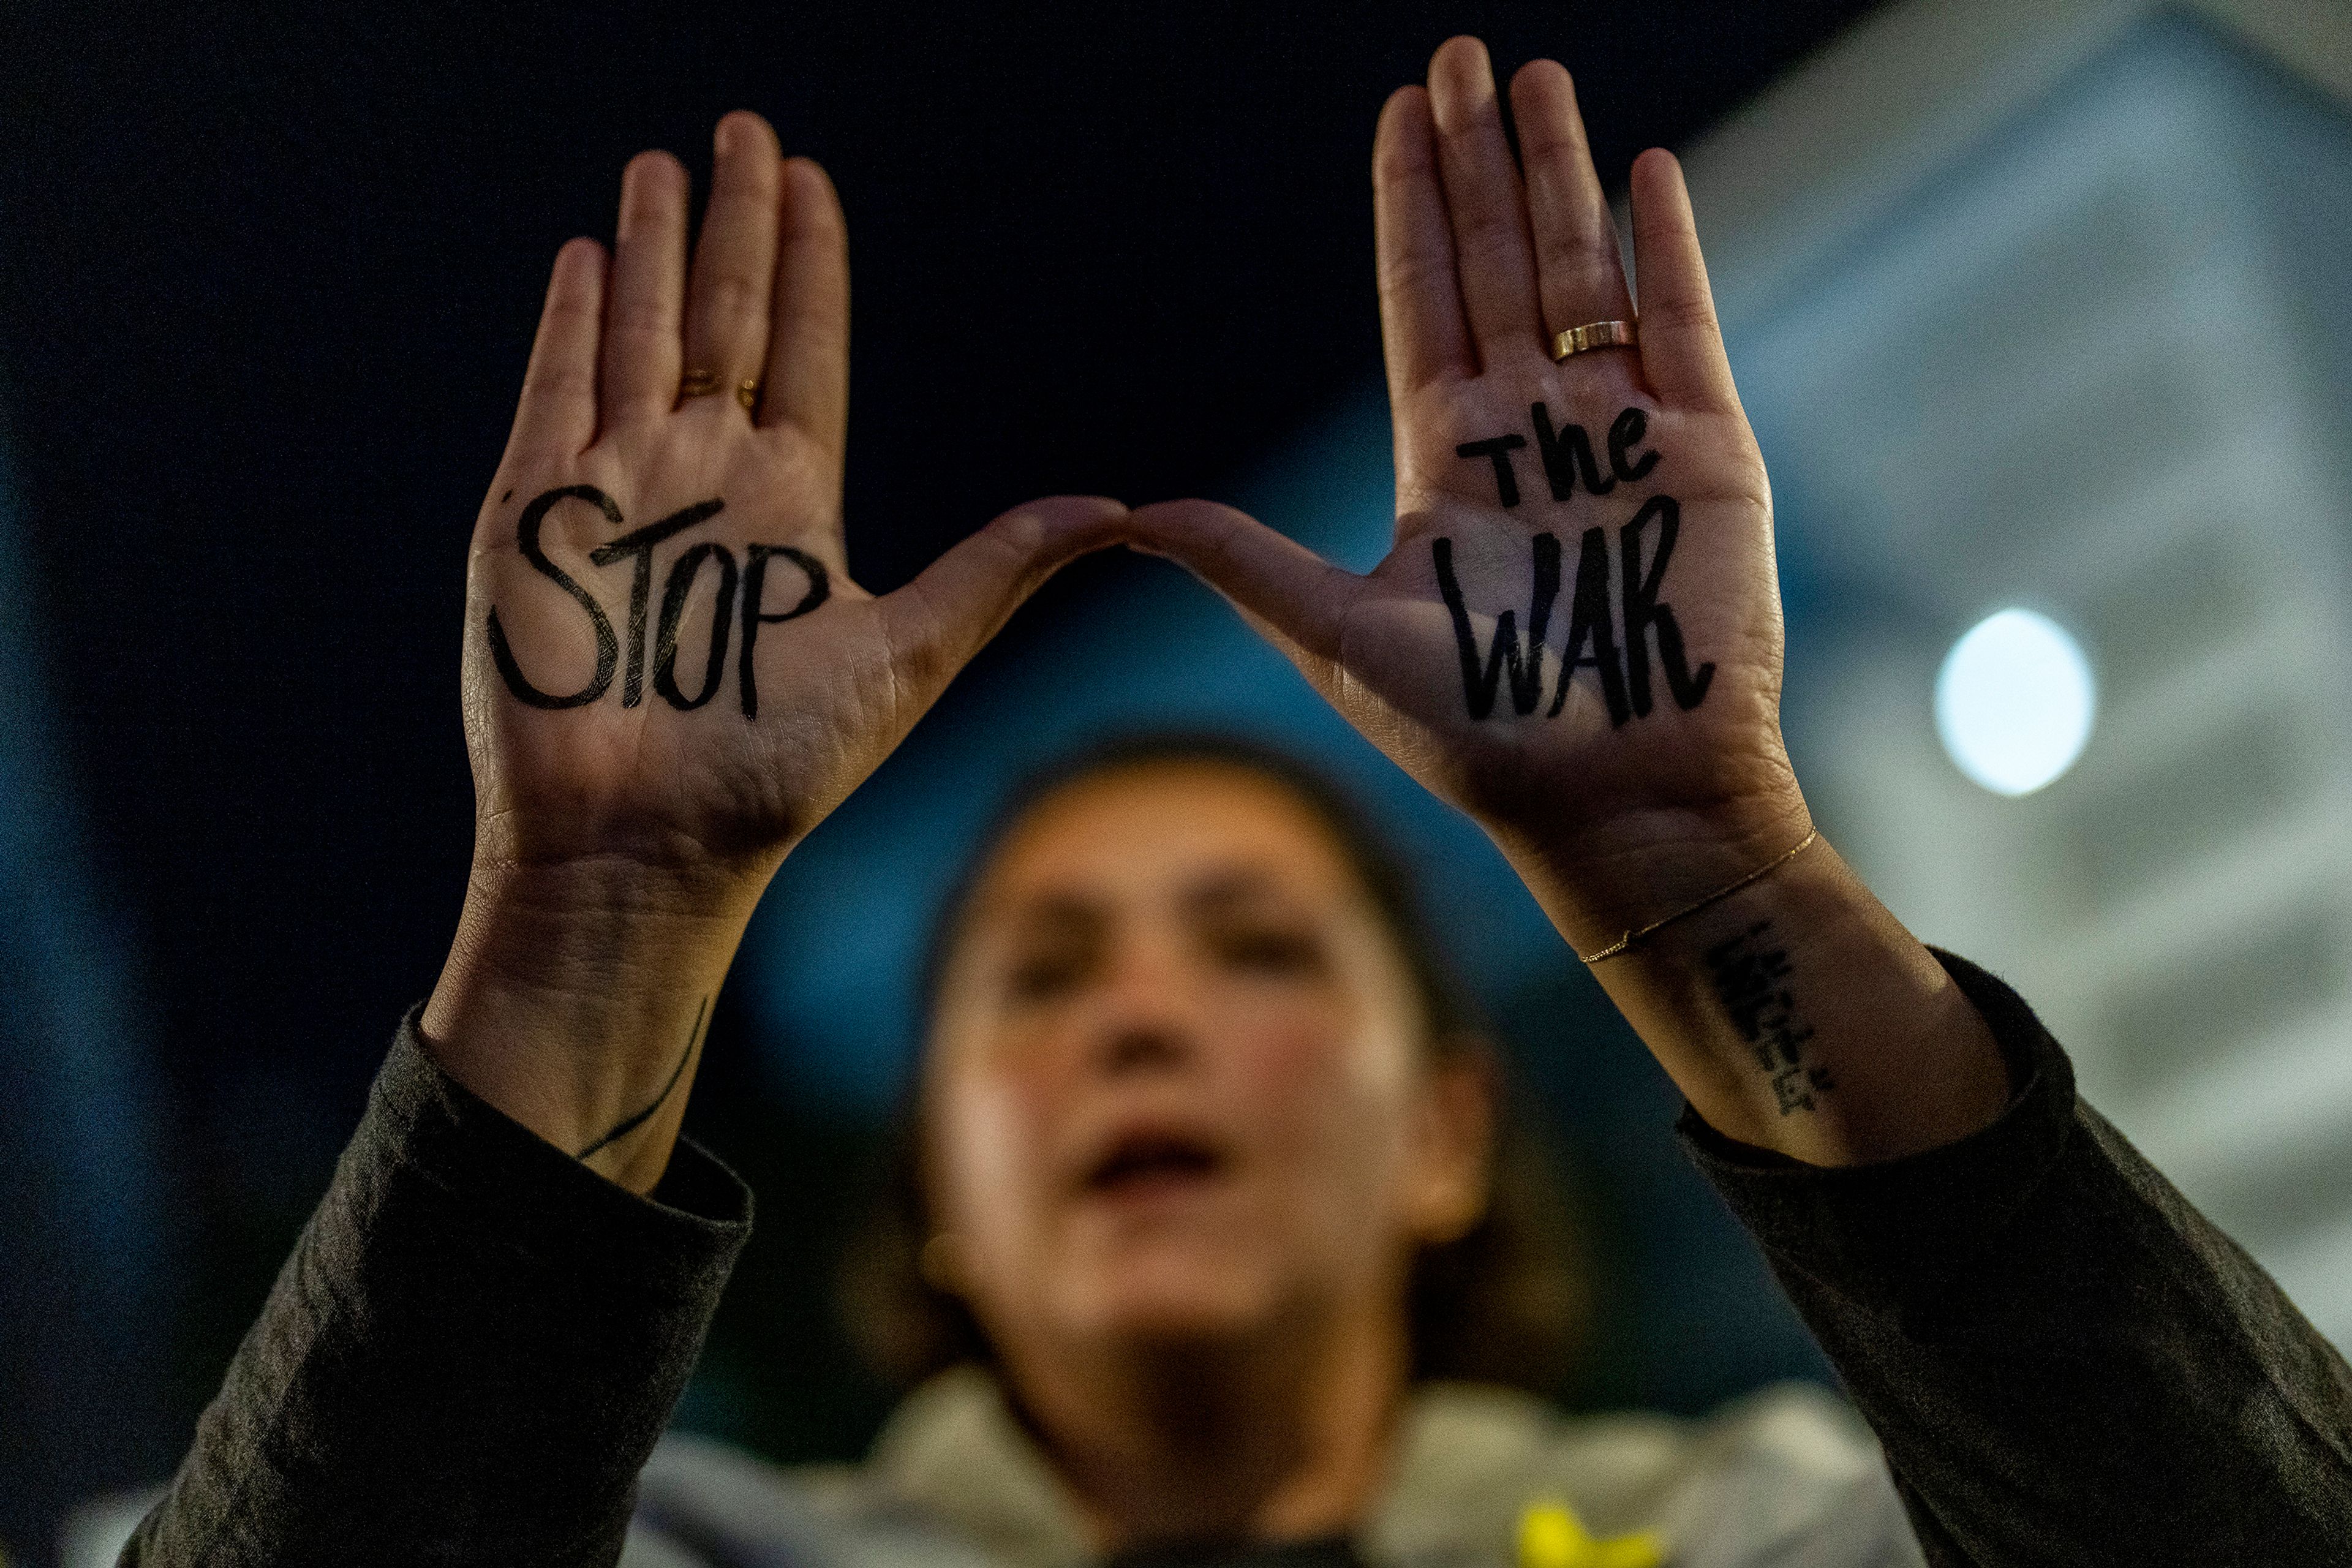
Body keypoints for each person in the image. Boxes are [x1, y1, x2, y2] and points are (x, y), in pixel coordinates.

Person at [122, 36, 2351, 1568]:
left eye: (1260, 946)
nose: (1143, 1022)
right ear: (940, 1198)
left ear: (1453, 1130)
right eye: (1044, 978)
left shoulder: (1764, 1526)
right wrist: (594, 916)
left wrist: (1706, 857)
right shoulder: (667, 1545)